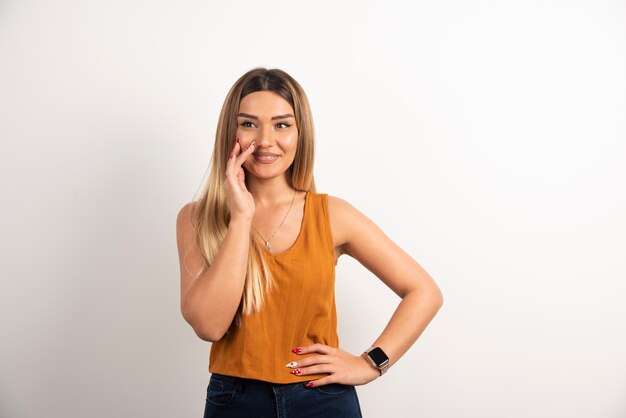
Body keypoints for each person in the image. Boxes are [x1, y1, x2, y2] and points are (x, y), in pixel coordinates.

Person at [176, 67, 443, 418]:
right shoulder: (198, 218)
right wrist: (241, 217)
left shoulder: (332, 215)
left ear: (301, 134)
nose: (266, 140)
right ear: (231, 131)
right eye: (249, 123)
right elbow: (209, 325)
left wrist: (370, 363)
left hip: (323, 401)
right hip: (235, 402)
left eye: (282, 124)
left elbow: (424, 291)